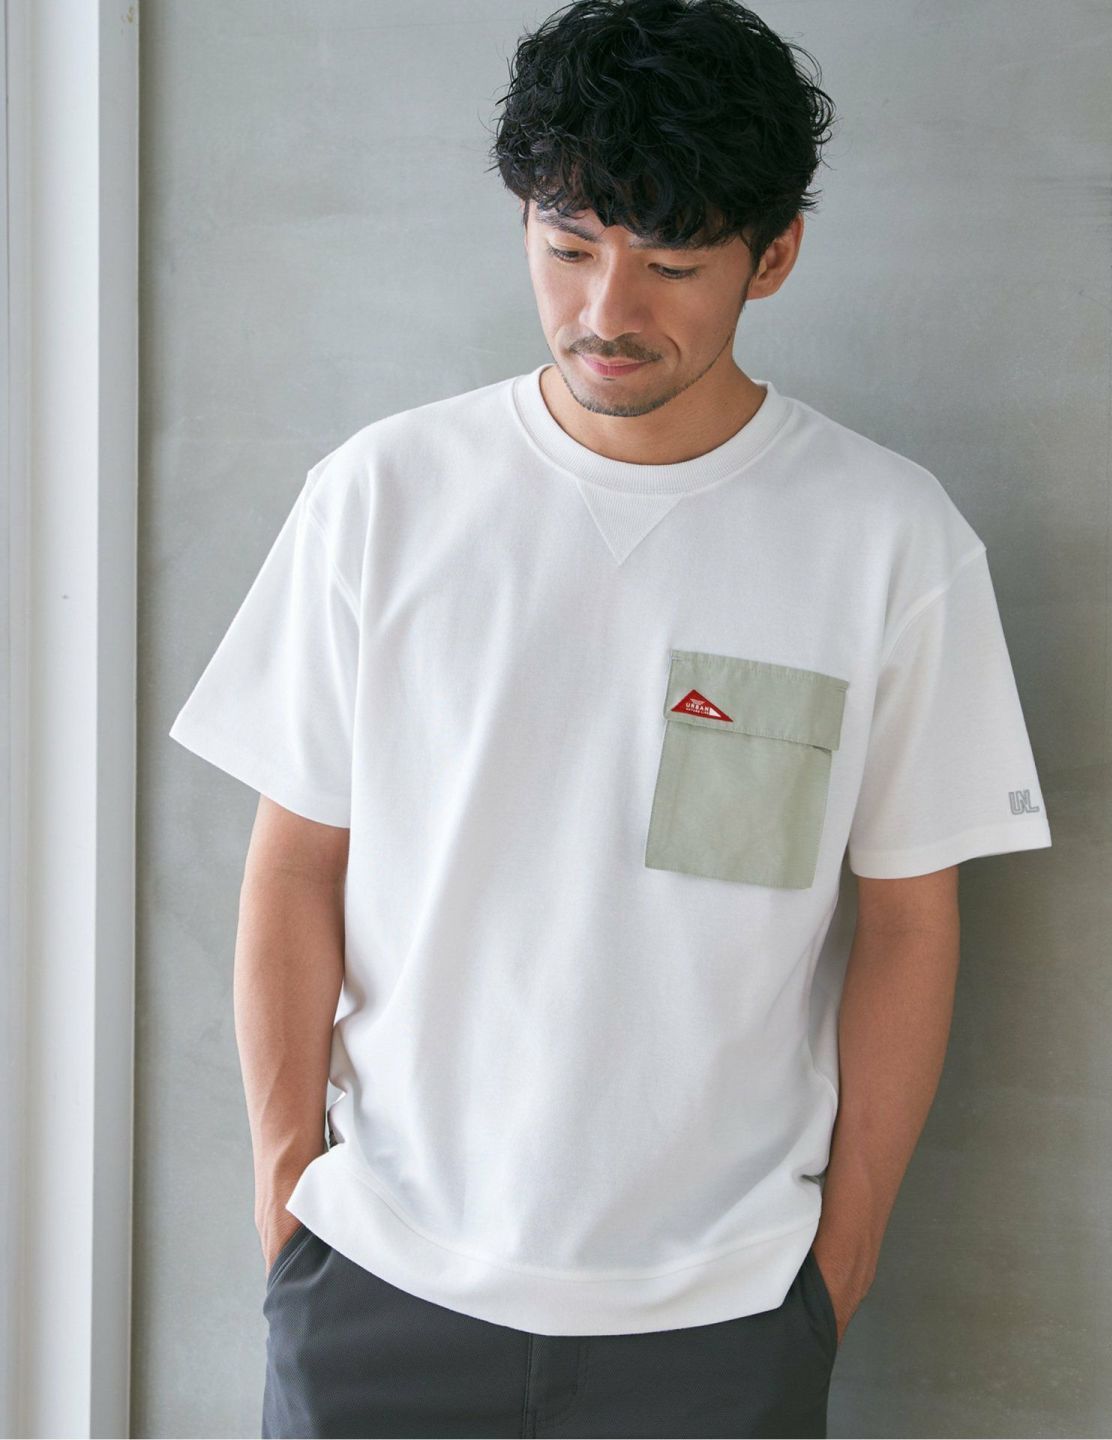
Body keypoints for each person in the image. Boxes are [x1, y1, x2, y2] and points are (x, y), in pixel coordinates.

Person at [168, 1, 1053, 1435]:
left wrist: (839, 1266)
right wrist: (288, 1214)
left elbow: (911, 922)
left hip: (721, 1319)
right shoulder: (382, 498)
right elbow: (295, 865)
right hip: (381, 1290)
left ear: (775, 255)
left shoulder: (890, 542)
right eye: (568, 247)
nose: (606, 313)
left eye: (674, 264)